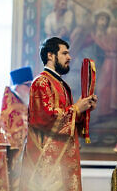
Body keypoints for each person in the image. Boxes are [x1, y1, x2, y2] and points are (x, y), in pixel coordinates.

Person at [20, 37, 97, 191]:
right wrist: (76, 109)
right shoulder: (41, 82)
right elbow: (46, 119)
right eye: (65, 53)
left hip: (63, 159)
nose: (69, 57)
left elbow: (68, 121)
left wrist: (83, 110)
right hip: (47, 162)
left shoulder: (61, 84)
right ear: (50, 55)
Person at [0, 66, 33, 191]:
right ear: (17, 86)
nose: (31, 89)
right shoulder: (11, 108)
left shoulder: (24, 104)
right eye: (28, 85)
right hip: (15, 160)